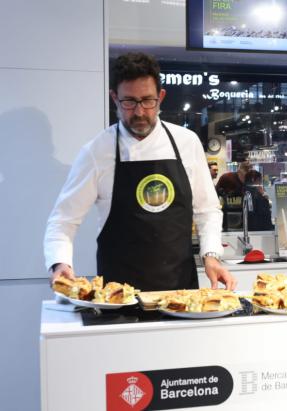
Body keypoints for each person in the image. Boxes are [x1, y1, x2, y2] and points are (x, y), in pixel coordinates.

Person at [44, 52, 236, 291]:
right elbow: (63, 219)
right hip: (116, 296)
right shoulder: (97, 151)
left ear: (161, 97)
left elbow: (207, 210)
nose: (139, 112)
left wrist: (211, 255)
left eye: (148, 101)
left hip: (179, 293)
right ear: (114, 98)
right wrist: (60, 262)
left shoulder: (187, 142)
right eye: (129, 102)